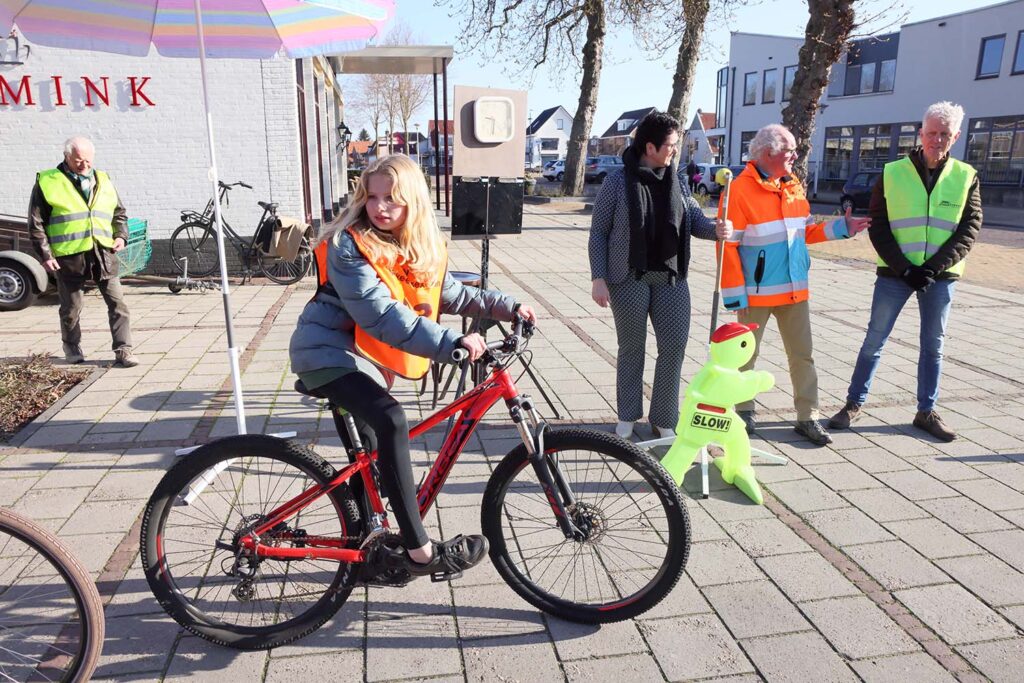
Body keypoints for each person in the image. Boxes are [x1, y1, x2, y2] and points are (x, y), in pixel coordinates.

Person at [289, 154, 537, 578]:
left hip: (361, 359)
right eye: (373, 197)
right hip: (326, 353)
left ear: (414, 204)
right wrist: (451, 341)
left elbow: (451, 293)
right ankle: (419, 552)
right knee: (391, 420)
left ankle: (371, 550)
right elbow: (381, 315)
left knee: (369, 458)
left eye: (392, 199)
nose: (380, 207)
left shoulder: (413, 243)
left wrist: (509, 307)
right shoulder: (352, 245)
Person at [829, 102, 981, 442]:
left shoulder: (966, 176)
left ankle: (926, 411)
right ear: (921, 132)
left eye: (944, 134)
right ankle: (853, 404)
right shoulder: (893, 172)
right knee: (874, 340)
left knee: (933, 345)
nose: (937, 140)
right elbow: (878, 224)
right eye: (931, 133)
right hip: (895, 275)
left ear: (955, 136)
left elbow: (969, 228)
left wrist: (931, 267)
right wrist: (904, 268)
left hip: (939, 277)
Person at [719, 123, 870, 446]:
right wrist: (734, 296)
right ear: (768, 153)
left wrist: (842, 227)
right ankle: (744, 414)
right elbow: (727, 247)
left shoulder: (792, 186)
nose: (795, 155)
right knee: (746, 357)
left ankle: (808, 417)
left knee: (803, 356)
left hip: (795, 290)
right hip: (755, 295)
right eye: (790, 150)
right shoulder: (739, 190)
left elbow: (806, 233)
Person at [589, 111, 731, 440]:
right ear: (650, 146)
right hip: (628, 277)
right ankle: (627, 415)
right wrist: (598, 277)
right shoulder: (617, 181)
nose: (674, 150)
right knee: (632, 347)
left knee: (674, 346)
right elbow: (599, 233)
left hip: (670, 276)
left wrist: (717, 229)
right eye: (670, 145)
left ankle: (663, 417)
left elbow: (694, 220)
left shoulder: (677, 179)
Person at [29, 136, 137, 367]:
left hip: (103, 253)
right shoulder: (48, 181)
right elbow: (36, 223)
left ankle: (124, 350)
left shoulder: (103, 179)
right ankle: (72, 348)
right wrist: (46, 256)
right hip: (69, 256)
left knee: (118, 304)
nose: (84, 165)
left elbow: (119, 213)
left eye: (88, 160)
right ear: (66, 156)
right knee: (71, 308)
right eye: (79, 160)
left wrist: (120, 236)